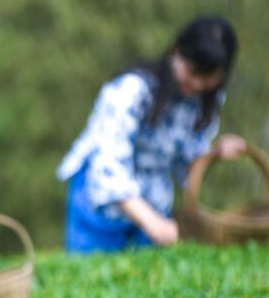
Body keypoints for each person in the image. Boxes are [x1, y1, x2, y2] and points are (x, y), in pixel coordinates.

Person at [56, 15, 248, 253]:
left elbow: (186, 168)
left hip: (154, 202)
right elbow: (108, 166)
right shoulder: (131, 90)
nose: (198, 84)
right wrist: (150, 221)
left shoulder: (206, 102)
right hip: (102, 204)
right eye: (193, 72)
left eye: (208, 78)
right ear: (176, 52)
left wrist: (215, 153)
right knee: (92, 276)